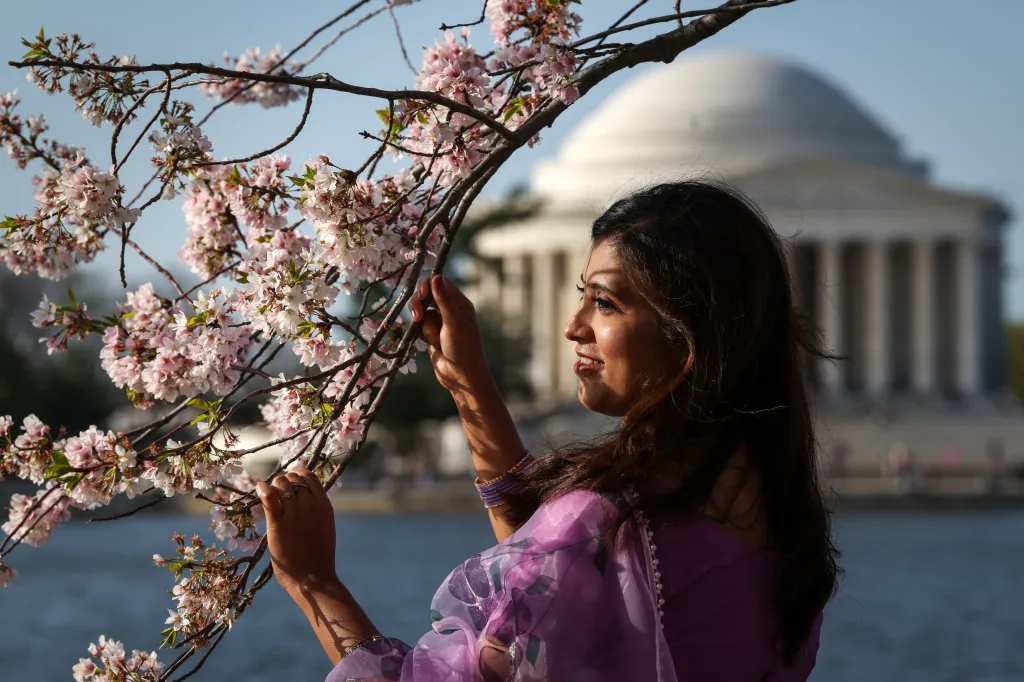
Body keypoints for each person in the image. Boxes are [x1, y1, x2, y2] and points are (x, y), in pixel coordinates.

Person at [256, 181, 841, 681]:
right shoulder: (782, 515)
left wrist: (314, 582)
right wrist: (470, 388)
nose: (572, 327)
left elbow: (567, 567)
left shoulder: (606, 522)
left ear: (687, 330)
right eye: (582, 296)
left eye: (605, 303)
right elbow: (563, 583)